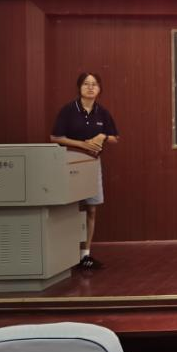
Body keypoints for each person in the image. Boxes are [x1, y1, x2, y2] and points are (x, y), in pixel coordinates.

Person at [50, 73, 119, 270]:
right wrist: (82, 144)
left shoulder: (102, 112)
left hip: (92, 163)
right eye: (86, 84)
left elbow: (115, 137)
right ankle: (66, 254)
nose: (90, 87)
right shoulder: (68, 110)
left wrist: (102, 136)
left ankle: (85, 254)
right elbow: (55, 137)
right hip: (70, 163)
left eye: (94, 84)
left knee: (91, 208)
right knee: (71, 208)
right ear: (79, 87)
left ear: (99, 89)